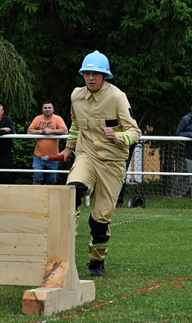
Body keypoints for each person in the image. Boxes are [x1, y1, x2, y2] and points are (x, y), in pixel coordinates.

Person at [58, 51, 140, 277]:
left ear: (105, 76)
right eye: (87, 73)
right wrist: (68, 147)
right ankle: (65, 240)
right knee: (73, 191)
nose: (91, 77)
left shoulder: (117, 97)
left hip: (113, 163)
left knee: (99, 220)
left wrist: (118, 137)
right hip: (86, 155)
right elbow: (75, 124)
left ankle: (96, 261)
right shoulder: (76, 96)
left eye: (96, 73)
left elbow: (135, 131)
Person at [27, 101, 67, 185]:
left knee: (51, 179)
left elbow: (65, 131)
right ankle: (36, 197)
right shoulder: (38, 118)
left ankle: (49, 197)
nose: (47, 109)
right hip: (38, 155)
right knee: (37, 178)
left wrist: (51, 131)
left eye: (49, 108)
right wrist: (41, 132)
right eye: (45, 108)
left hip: (53, 156)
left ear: (53, 109)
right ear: (42, 109)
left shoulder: (57, 119)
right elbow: (29, 131)